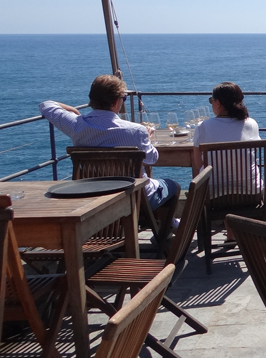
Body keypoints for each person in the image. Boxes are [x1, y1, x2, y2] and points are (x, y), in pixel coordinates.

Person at [39, 74, 181, 238]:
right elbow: (152, 159)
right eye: (124, 98)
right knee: (173, 186)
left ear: (92, 100)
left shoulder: (76, 125)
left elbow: (46, 105)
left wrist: (72, 111)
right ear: (116, 102)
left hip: (94, 196)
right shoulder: (136, 130)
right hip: (134, 198)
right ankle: (162, 237)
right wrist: (147, 139)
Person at [192, 82, 262, 197]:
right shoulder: (251, 124)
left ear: (218, 103)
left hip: (213, 196)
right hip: (251, 194)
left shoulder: (203, 127)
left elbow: (199, 164)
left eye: (211, 100)